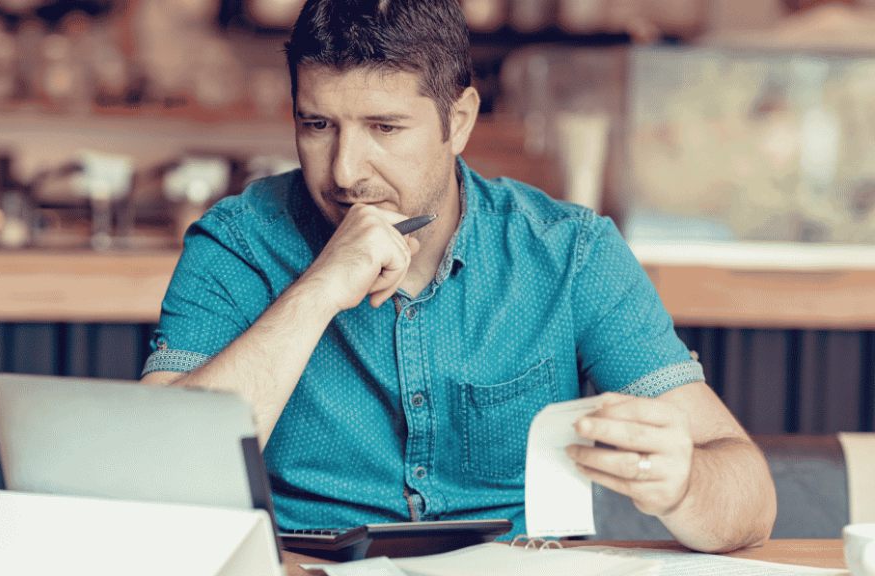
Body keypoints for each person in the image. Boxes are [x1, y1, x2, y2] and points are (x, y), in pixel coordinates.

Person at [140, 0, 776, 553]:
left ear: (460, 121)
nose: (344, 171)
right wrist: (318, 290)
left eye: (385, 128)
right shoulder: (238, 241)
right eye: (318, 125)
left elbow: (751, 501)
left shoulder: (568, 252)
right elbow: (159, 473)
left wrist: (686, 483)